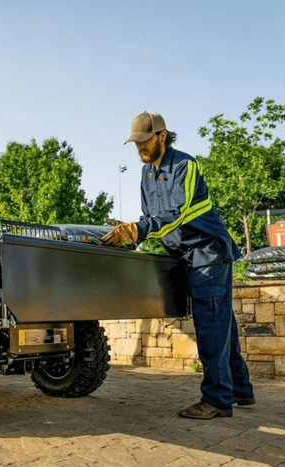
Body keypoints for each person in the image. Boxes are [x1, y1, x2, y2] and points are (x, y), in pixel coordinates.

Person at [101, 111, 254, 419]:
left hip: (207, 253)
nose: (140, 148)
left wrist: (138, 229)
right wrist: (130, 234)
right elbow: (150, 218)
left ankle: (217, 400)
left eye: (145, 141)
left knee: (211, 326)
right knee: (222, 325)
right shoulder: (146, 173)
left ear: (162, 136)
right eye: (136, 143)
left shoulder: (186, 165)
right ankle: (240, 389)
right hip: (185, 255)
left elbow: (178, 213)